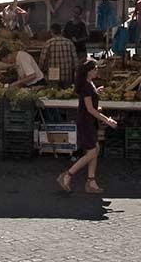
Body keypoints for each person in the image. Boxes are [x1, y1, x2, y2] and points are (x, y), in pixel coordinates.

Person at [57, 60, 118, 194]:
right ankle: (68, 174)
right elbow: (90, 109)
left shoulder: (89, 85)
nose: (97, 71)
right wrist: (107, 120)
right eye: (95, 69)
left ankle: (91, 181)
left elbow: (90, 105)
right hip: (86, 122)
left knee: (95, 149)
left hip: (89, 122)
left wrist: (96, 93)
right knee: (91, 152)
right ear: (89, 71)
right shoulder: (86, 86)